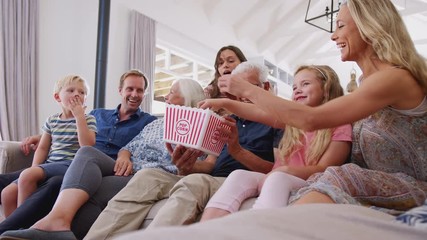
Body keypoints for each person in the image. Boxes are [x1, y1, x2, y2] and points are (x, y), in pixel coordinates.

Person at [198, 0, 427, 213]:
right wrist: (226, 102)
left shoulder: (395, 78)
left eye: (340, 26)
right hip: (379, 182)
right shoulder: (367, 85)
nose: (333, 36)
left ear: (369, 26)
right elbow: (274, 116)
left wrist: (247, 88)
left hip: (413, 187)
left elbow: (310, 119)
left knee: (338, 175)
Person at [79, 61, 281, 240]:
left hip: (234, 180)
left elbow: (278, 171)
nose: (244, 95)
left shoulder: (277, 121)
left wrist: (237, 151)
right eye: (240, 89)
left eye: (250, 88)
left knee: (194, 183)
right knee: (147, 176)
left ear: (265, 86)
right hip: (209, 176)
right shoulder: (228, 120)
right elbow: (210, 165)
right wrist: (187, 166)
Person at [0, 78, 207, 240]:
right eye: (129, 89)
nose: (166, 96)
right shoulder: (153, 123)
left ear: (187, 98)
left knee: (82, 188)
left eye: (172, 92)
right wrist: (124, 155)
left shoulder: (194, 126)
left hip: (146, 173)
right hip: (112, 164)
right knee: (86, 154)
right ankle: (55, 222)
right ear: (120, 91)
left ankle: (50, 226)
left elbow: (197, 163)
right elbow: (129, 147)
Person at [200, 65, 352, 221]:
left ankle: (257, 229)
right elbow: (256, 112)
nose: (298, 90)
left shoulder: (340, 125)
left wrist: (284, 171)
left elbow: (324, 170)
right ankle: (207, 229)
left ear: (327, 88)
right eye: (294, 87)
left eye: (305, 84)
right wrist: (224, 103)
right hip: (276, 176)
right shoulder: (292, 122)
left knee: (277, 179)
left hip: (303, 181)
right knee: (238, 175)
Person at [1, 75, 97, 217]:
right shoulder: (51, 120)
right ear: (58, 97)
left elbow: (87, 146)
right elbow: (43, 148)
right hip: (50, 164)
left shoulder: (88, 119)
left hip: (71, 165)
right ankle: (11, 231)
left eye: (82, 92)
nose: (77, 94)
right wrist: (35, 168)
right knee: (7, 193)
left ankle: (23, 223)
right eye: (71, 90)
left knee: (27, 175)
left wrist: (79, 117)